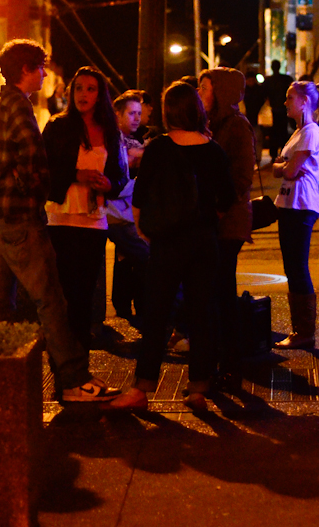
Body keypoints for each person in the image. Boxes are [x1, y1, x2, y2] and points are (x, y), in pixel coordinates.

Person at [0, 40, 119, 402]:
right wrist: (31, 192)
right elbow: (35, 165)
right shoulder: (21, 109)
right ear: (26, 71)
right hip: (22, 219)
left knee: (1, 304)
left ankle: (0, 377)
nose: (44, 74)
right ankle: (73, 379)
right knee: (51, 299)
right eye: (40, 68)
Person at [111, 81, 235, 413]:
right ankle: (198, 387)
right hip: (204, 241)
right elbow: (227, 199)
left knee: (156, 313)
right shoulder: (213, 150)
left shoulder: (159, 149)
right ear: (196, 109)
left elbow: (139, 197)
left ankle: (142, 387)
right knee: (202, 313)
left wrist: (146, 230)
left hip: (166, 241)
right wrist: (206, 220)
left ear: (168, 111)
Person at [42, 66, 128, 353]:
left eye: (91, 89)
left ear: (100, 94)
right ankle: (62, 355)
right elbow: (43, 170)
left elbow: (121, 176)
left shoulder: (110, 130)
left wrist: (108, 184)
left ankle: (79, 356)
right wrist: (75, 175)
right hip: (61, 218)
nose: (84, 94)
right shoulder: (58, 126)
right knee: (62, 291)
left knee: (84, 293)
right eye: (79, 88)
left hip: (93, 221)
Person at [199, 67, 255, 386]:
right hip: (211, 222)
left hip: (227, 223)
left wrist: (218, 211)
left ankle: (231, 363)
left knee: (221, 292)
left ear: (221, 91)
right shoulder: (211, 124)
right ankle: (217, 360)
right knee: (212, 293)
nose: (201, 94)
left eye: (205, 88)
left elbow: (242, 179)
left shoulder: (237, 126)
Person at [272, 80, 319, 349]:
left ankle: (304, 332)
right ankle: (300, 330)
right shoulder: (298, 133)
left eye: (289, 97)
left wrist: (284, 166)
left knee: (297, 267)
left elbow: (290, 170)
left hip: (301, 205)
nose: (285, 102)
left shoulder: (310, 132)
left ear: (304, 101)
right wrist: (284, 166)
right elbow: (280, 168)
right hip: (288, 204)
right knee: (291, 267)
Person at [106, 91, 150, 322]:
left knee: (126, 258)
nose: (136, 118)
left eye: (139, 114)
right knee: (145, 256)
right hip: (116, 212)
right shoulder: (112, 140)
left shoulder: (133, 142)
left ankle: (125, 308)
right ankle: (143, 312)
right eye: (131, 113)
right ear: (117, 115)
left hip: (125, 212)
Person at [263, 60, 292, 160]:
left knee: (273, 134)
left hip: (273, 111)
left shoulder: (268, 81)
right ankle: (283, 152)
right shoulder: (286, 79)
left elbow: (264, 96)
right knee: (283, 132)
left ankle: (274, 154)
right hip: (284, 110)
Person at [243, 68, 265, 163]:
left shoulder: (259, 90)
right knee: (248, 140)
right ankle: (251, 159)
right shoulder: (244, 91)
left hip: (257, 119)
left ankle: (257, 158)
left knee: (257, 139)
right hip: (246, 119)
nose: (251, 82)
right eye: (249, 80)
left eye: (252, 80)